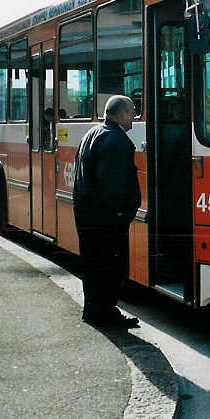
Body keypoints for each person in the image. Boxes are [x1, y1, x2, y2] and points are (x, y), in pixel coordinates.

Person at [72, 95, 141, 329]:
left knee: (93, 266)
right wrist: (122, 214)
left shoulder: (91, 134)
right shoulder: (116, 141)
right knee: (111, 267)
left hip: (86, 215)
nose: (135, 116)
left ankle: (93, 311)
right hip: (107, 220)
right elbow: (113, 186)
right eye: (132, 112)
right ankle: (107, 313)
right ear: (120, 114)